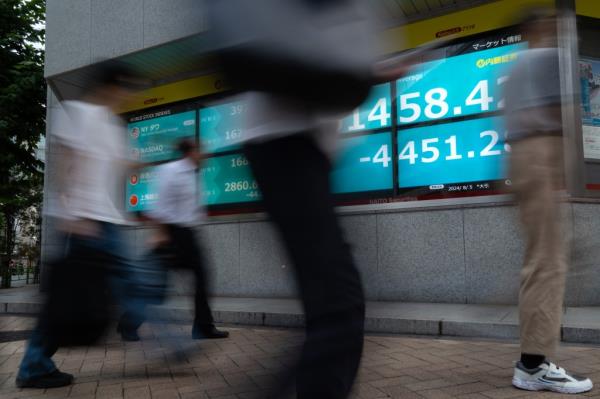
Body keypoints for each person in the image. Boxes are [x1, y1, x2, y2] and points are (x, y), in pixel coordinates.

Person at [16, 61, 142, 389]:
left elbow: (113, 162)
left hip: (107, 220)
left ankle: (35, 363)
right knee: (69, 295)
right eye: (125, 86)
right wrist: (71, 214)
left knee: (128, 285)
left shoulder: (112, 125)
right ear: (109, 86)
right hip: (85, 220)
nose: (127, 94)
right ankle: (33, 366)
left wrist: (134, 163)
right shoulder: (76, 112)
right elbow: (65, 164)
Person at [504, 8, 593, 394]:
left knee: (541, 260)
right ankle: (534, 366)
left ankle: (533, 361)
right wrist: (559, 173)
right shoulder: (545, 59)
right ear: (538, 27)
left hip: (525, 159)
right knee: (549, 263)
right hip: (540, 157)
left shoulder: (514, 67)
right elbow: (559, 114)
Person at [117, 139, 229, 341]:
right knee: (155, 283)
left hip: (187, 234)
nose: (203, 155)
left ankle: (203, 327)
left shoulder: (191, 174)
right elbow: (158, 207)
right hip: (172, 234)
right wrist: (161, 234)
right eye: (199, 150)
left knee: (201, 278)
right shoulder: (171, 171)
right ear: (190, 152)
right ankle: (128, 323)